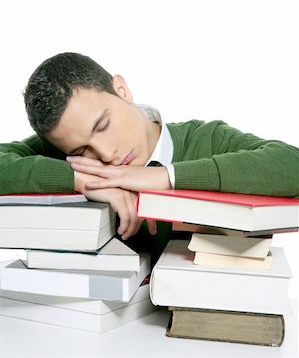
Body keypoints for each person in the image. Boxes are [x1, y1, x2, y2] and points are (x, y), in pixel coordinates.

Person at [1, 52, 299, 257]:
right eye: (82, 150)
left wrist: (166, 178)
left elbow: (291, 164)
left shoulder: (207, 139)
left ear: (122, 90)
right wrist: (80, 180)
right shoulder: (69, 157)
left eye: (103, 125)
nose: (105, 155)